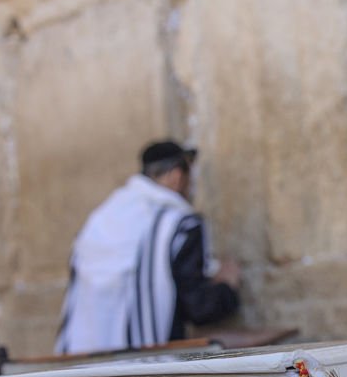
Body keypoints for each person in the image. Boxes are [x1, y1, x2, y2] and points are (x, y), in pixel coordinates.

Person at [55, 140, 240, 354]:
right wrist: (228, 287)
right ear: (177, 176)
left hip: (84, 362)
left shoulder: (100, 218)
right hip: (146, 364)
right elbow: (198, 307)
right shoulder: (178, 224)